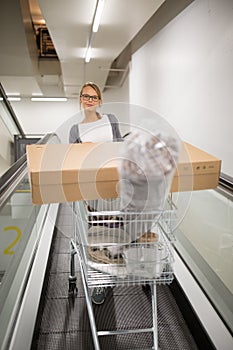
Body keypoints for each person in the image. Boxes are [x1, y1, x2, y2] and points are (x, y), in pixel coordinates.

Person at [69, 82, 122, 304]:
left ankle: (110, 276)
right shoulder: (75, 130)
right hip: (92, 189)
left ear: (100, 100)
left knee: (114, 233)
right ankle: (100, 282)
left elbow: (120, 147)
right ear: (80, 99)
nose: (89, 100)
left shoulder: (110, 120)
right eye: (85, 96)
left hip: (114, 186)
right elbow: (73, 159)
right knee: (97, 235)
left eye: (93, 96)